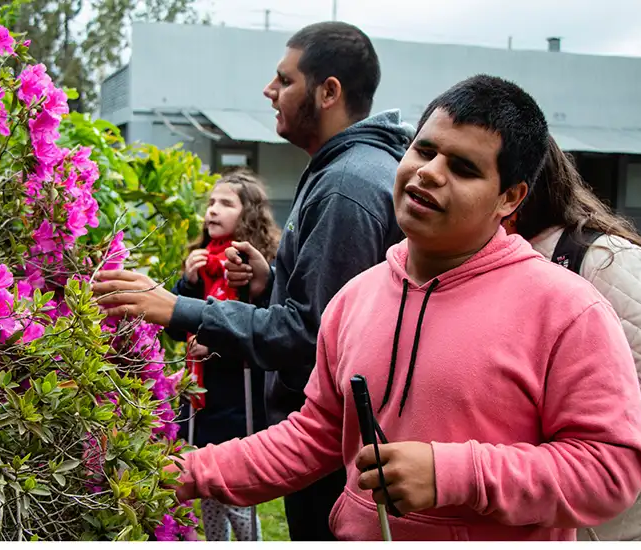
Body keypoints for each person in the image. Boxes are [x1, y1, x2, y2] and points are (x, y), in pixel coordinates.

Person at [162, 75, 641, 541]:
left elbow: (611, 468)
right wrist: (188, 472)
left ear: (509, 197)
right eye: (424, 149)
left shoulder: (566, 309)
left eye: (463, 168)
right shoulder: (354, 298)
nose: (429, 173)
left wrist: (453, 473)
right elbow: (315, 435)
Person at [92, 21, 413, 540]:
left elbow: (313, 335)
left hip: (332, 459)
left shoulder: (346, 187)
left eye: (284, 81)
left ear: (328, 91)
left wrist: (177, 309)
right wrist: (270, 283)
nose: (270, 92)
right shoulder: (352, 170)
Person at [504, 137, 641, 541]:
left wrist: (582, 477)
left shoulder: (604, 259)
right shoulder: (497, 267)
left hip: (611, 524)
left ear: (518, 192)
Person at [167, 169, 279, 541]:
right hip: (201, 402)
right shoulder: (200, 262)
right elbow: (171, 326)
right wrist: (187, 285)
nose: (212, 210)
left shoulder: (249, 266)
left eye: (226, 204)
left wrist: (215, 346)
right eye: (211, 203)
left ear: (247, 214)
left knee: (233, 491)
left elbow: (261, 330)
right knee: (206, 492)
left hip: (236, 401)